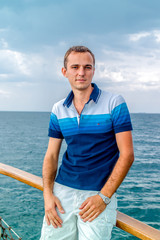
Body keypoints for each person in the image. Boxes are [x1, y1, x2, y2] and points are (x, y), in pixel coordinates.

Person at [40, 46, 134, 240]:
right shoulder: (58, 109)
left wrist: (104, 197)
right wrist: (48, 196)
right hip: (62, 192)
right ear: (65, 72)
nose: (81, 72)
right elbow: (51, 155)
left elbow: (127, 155)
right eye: (75, 67)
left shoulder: (114, 103)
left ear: (93, 70)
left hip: (97, 195)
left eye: (87, 67)